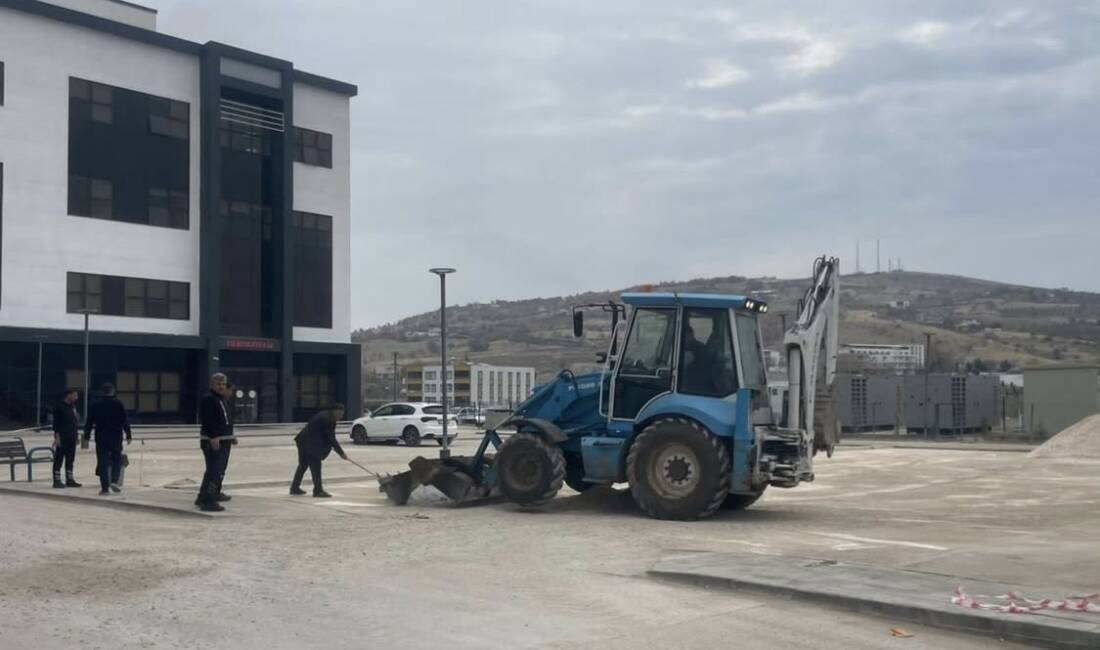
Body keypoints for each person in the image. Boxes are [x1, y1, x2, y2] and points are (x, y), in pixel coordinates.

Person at [82, 383, 131, 495]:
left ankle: (104, 488)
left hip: (101, 436)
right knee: (116, 458)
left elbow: (89, 421)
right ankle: (114, 480)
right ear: (113, 391)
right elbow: (124, 420)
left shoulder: (96, 405)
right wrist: (128, 435)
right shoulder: (118, 404)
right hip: (116, 436)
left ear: (102, 392)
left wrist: (87, 435)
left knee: (102, 462)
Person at [290, 403, 347, 498]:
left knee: (303, 465)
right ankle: (318, 490)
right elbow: (331, 438)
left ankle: (294, 488)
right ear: (335, 411)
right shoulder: (329, 419)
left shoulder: (324, 415)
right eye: (340, 414)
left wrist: (338, 451)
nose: (340, 417)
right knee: (316, 466)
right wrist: (341, 453)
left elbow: (326, 436)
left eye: (342, 415)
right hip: (310, 444)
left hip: (303, 441)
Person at [196, 373, 235, 512]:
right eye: (218, 384)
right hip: (213, 442)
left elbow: (225, 421)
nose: (221, 386)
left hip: (224, 441)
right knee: (215, 472)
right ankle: (208, 501)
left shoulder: (221, 400)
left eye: (223, 384)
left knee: (214, 471)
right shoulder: (209, 399)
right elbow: (208, 420)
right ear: (212, 384)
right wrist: (213, 436)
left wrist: (231, 436)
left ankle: (203, 496)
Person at [51, 388, 82, 489]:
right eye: (75, 395)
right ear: (68, 395)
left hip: (71, 436)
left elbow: (74, 422)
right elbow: (56, 424)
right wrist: (57, 438)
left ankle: (70, 479)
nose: (76, 398)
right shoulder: (59, 407)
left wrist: (76, 435)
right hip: (62, 437)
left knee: (70, 459)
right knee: (59, 459)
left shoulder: (72, 407)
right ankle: (57, 480)